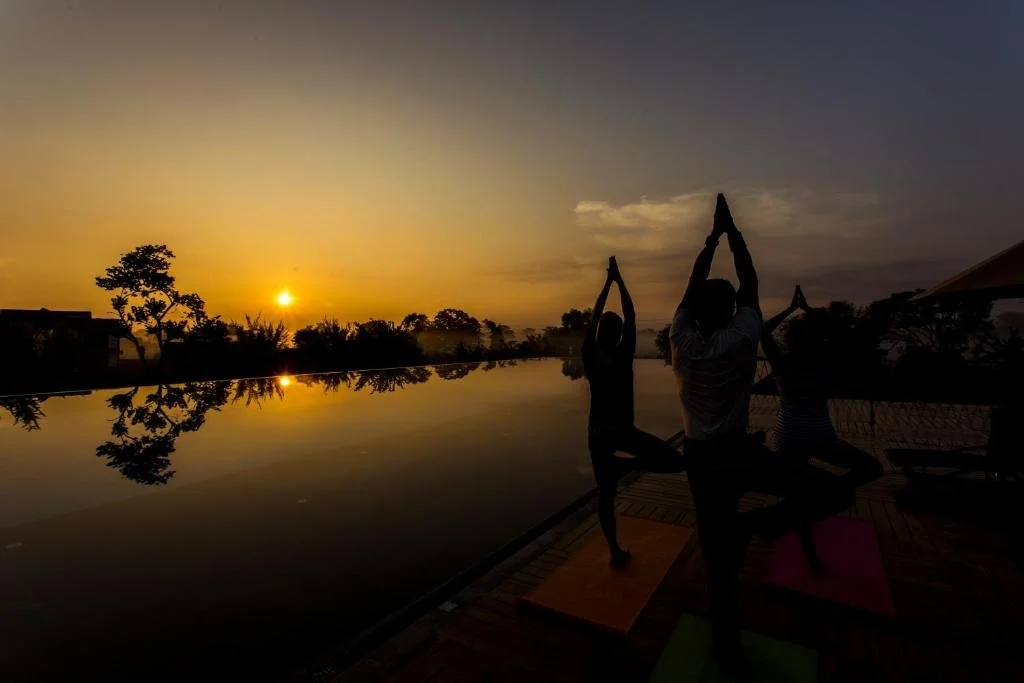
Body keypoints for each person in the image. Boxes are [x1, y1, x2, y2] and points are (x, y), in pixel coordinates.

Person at [670, 194, 849, 675]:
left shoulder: (681, 337)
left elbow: (692, 289)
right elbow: (749, 283)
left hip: (700, 459)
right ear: (731, 310)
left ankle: (724, 640)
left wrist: (711, 239)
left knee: (716, 561)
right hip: (734, 455)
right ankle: (756, 529)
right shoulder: (742, 334)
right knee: (832, 491)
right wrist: (733, 234)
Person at [760, 286, 884, 573]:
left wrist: (793, 309)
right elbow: (848, 336)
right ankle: (824, 498)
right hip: (817, 436)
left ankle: (811, 553)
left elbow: (765, 332)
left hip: (788, 435)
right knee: (871, 468)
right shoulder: (825, 363)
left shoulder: (785, 365)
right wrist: (811, 315)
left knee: (798, 499)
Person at [583, 256, 686, 567]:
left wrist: (608, 284)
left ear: (602, 333)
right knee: (675, 462)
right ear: (617, 335)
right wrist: (618, 281)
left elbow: (598, 316)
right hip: (619, 431)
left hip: (602, 434)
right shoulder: (622, 355)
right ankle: (625, 470)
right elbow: (631, 314)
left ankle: (615, 549)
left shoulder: (592, 354)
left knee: (606, 495)